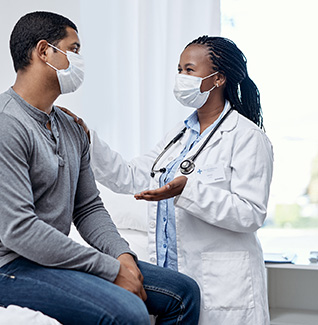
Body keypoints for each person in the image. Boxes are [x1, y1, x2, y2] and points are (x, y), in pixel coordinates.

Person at [0, 11, 201, 325]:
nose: (79, 59)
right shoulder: (0, 125)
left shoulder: (70, 128)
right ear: (44, 51)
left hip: (44, 260)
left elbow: (87, 207)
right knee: (128, 312)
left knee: (183, 292)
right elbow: (19, 231)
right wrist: (110, 270)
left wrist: (122, 256)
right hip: (0, 267)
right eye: (74, 49)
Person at [65, 35, 274, 324]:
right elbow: (131, 176)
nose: (181, 77)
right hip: (175, 282)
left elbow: (251, 213)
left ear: (218, 79)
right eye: (179, 70)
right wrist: (88, 139)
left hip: (223, 287)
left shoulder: (247, 137)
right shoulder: (179, 134)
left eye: (189, 70)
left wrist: (188, 191)